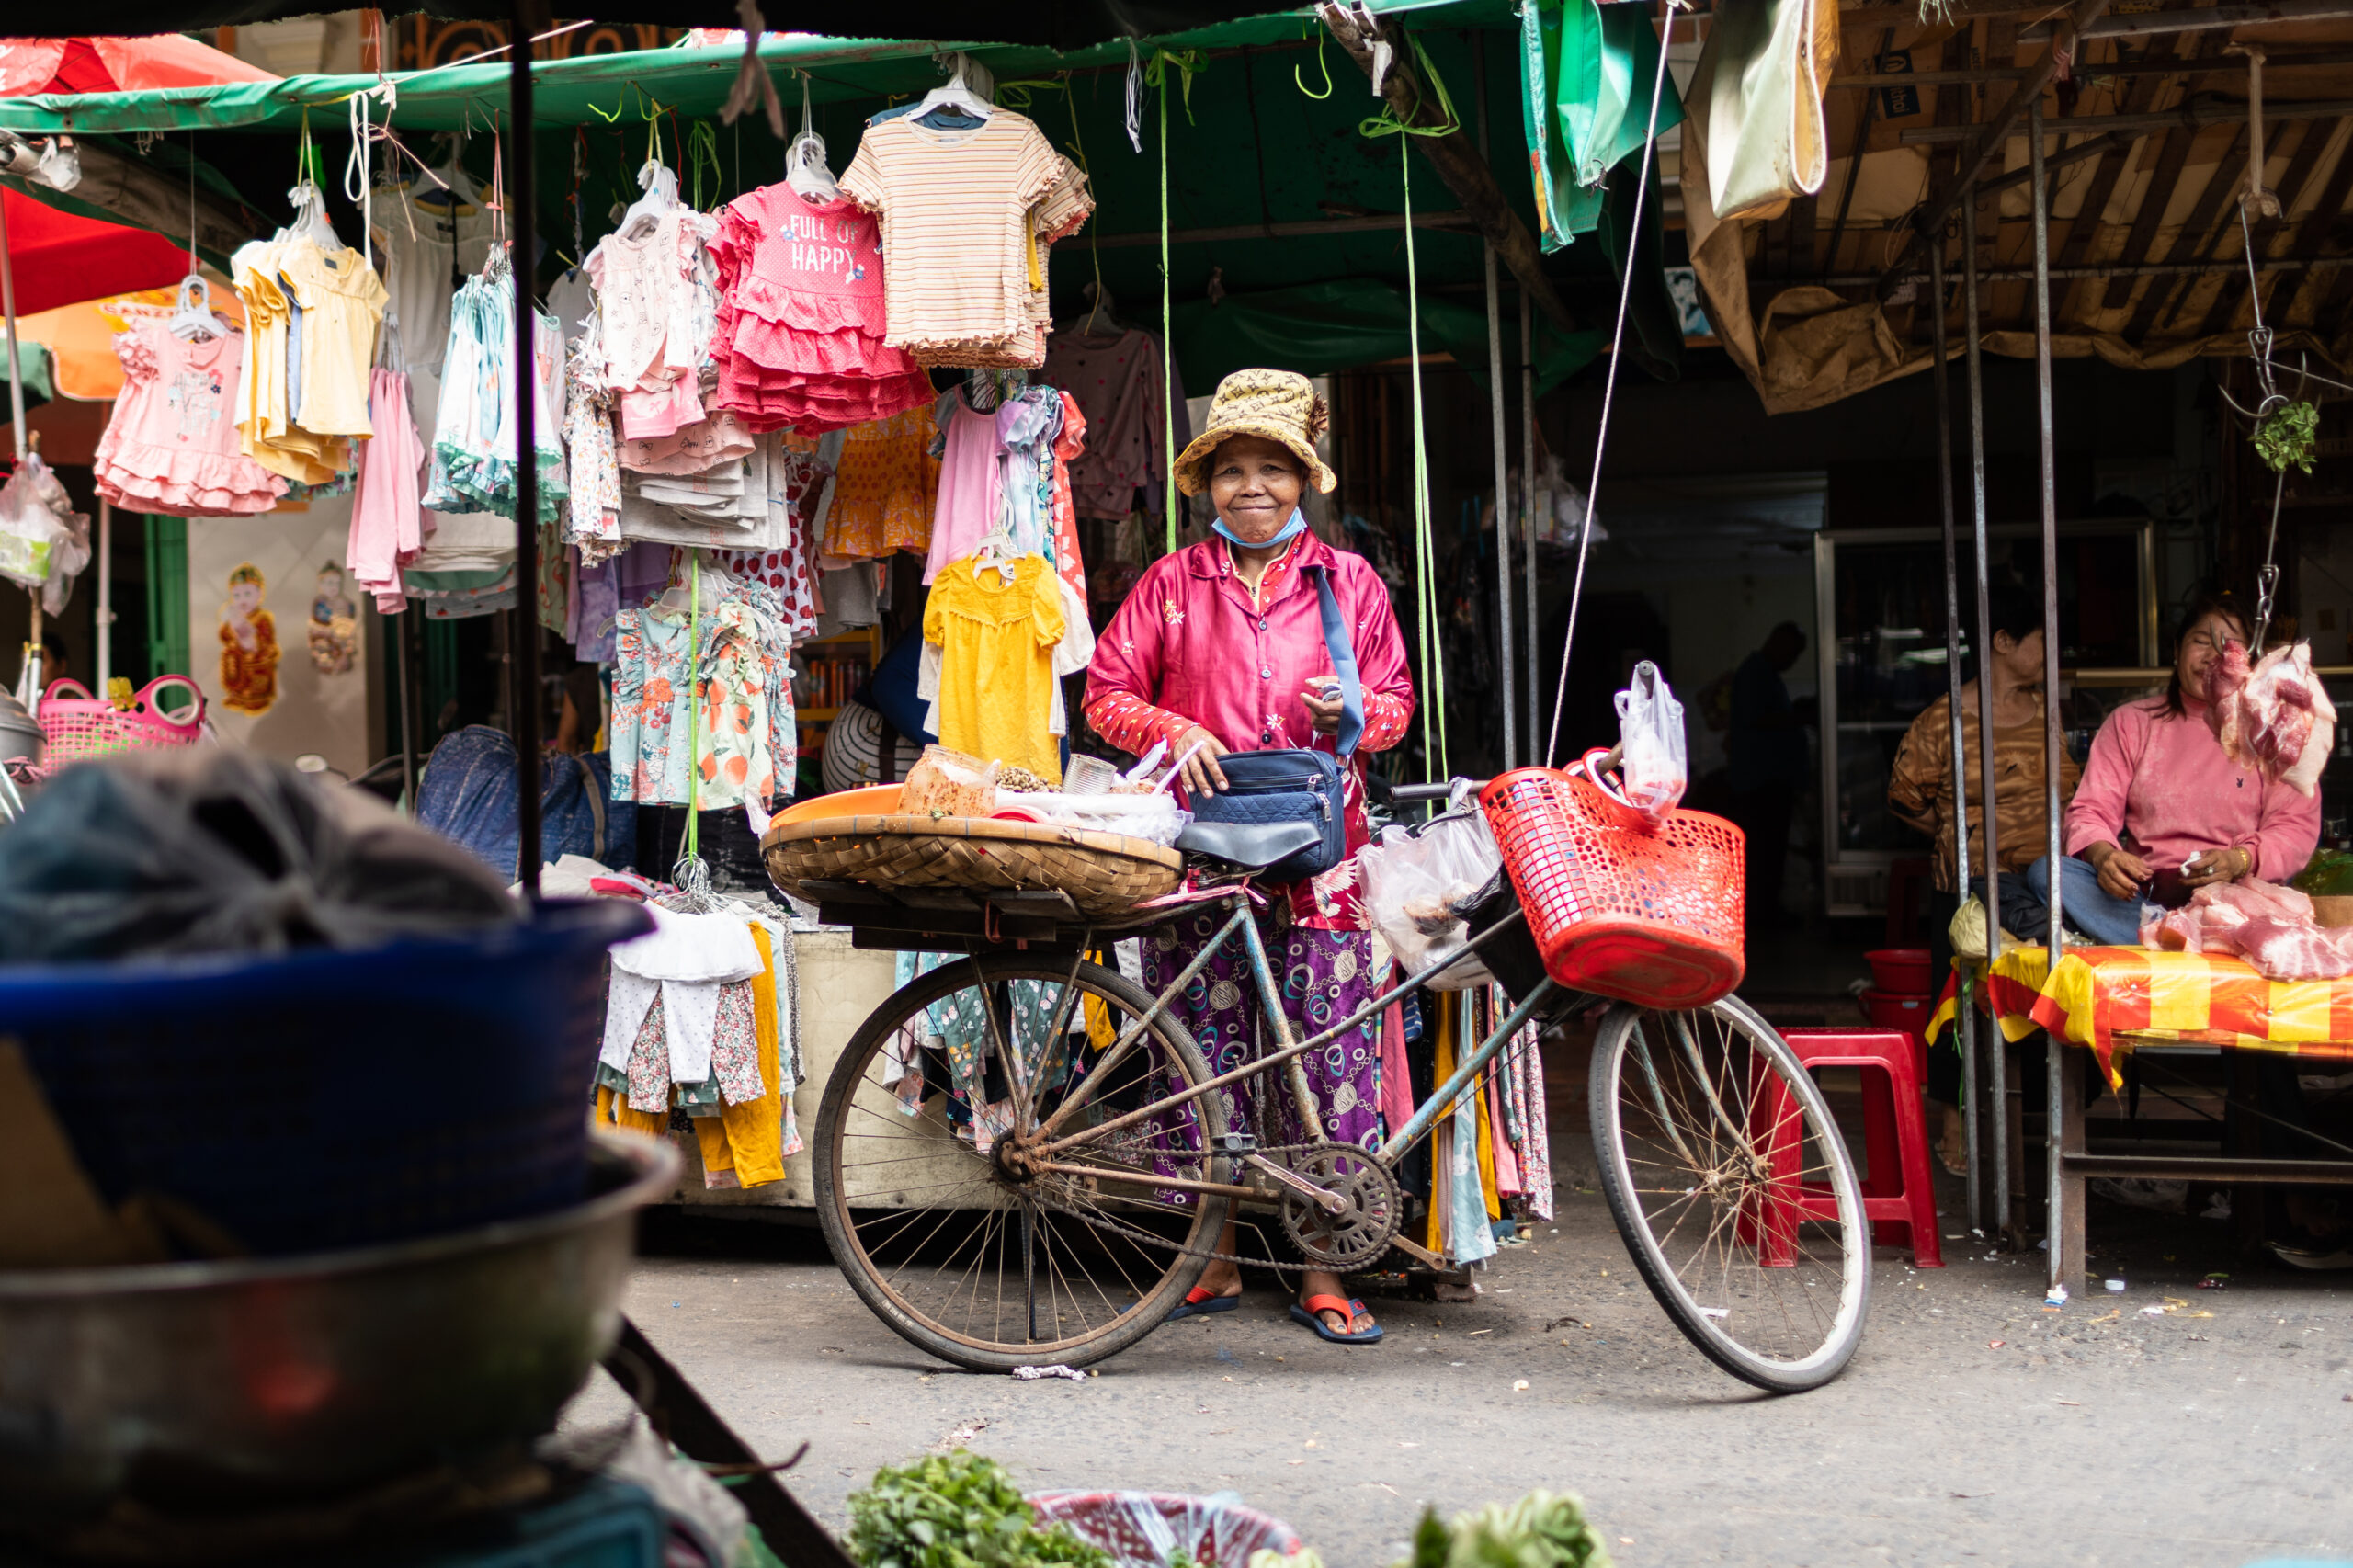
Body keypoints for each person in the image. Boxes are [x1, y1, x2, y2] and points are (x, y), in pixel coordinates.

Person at [1086, 369, 1415, 1345]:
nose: (1252, 487)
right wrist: (1166, 723)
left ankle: (1323, 1263)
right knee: (1204, 1055)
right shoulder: (1169, 581)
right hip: (1205, 852)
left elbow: (1395, 711)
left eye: (1272, 468)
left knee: (1324, 1057)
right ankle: (1211, 1255)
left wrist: (1352, 713)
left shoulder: (1347, 581)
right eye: (1233, 470)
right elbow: (1105, 691)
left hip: (1324, 861)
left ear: (1303, 479)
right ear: (1208, 484)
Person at [1888, 583, 2079, 1172]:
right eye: (2044, 640)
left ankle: (2046, 1133)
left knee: (2044, 1001)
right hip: (1968, 886)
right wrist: (1957, 833)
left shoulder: (2048, 710)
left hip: (2044, 886)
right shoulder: (1944, 720)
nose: (2054, 653)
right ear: (2003, 641)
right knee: (1960, 1009)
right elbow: (1904, 799)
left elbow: (2072, 790)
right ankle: (1955, 1127)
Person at [2035, 589, 2320, 943]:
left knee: (2274, 904)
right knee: (2048, 873)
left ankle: (2181, 939)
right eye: (2201, 641)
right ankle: (2173, 936)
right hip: (2143, 899)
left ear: (2248, 660)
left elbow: (2294, 831)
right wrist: (2104, 856)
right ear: (2176, 649)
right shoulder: (2131, 723)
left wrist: (2239, 861)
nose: (2213, 656)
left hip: (2236, 900)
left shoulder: (2271, 731)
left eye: (2230, 646)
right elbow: (2090, 811)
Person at [1727, 620, 1810, 928]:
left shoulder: (1768, 675)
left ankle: (1767, 913)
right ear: (1776, 643)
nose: (1792, 661)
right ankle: (1760, 918)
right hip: (1759, 784)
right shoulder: (1754, 674)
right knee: (1762, 855)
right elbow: (1758, 719)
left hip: (1772, 782)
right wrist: (1795, 717)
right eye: (1791, 652)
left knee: (1771, 854)